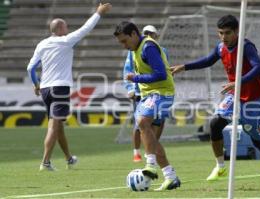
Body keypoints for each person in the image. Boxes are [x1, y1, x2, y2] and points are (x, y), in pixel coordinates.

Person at [171, 15, 260, 186]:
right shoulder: (221, 48)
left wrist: (238, 82)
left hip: (254, 99)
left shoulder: (246, 46)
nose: (223, 37)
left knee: (257, 139)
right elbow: (208, 60)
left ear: (236, 31)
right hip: (234, 95)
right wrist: (184, 67)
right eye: (220, 33)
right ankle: (220, 166)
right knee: (215, 124)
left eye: (227, 33)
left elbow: (259, 68)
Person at [26, 3, 112, 171]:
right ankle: (45, 162)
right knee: (53, 126)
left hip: (45, 89)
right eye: (65, 26)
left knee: (58, 126)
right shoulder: (65, 41)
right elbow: (86, 29)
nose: (67, 29)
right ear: (59, 29)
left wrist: (36, 84)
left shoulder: (42, 44)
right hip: (60, 88)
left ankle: (69, 159)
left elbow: (30, 68)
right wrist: (98, 13)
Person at [114, 21, 181, 191]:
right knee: (149, 136)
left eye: (124, 41)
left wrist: (135, 79)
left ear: (134, 35)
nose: (124, 45)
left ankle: (150, 165)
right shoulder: (135, 50)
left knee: (143, 123)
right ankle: (170, 176)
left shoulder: (148, 47)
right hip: (148, 95)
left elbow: (160, 74)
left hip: (162, 92)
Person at [123, 25, 169, 163]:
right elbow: (128, 71)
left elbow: (163, 71)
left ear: (156, 35)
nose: (149, 35)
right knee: (140, 123)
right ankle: (136, 152)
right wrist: (131, 88)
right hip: (142, 92)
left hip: (160, 92)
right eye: (146, 33)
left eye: (151, 33)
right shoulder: (132, 52)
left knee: (160, 122)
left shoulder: (162, 50)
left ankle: (152, 149)